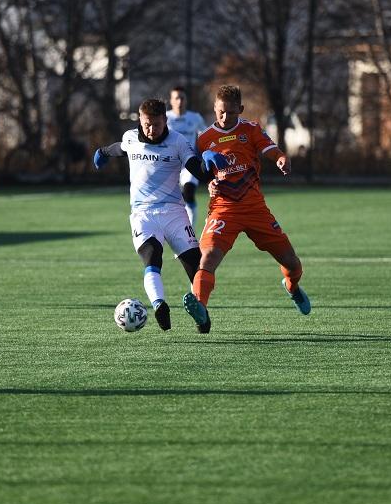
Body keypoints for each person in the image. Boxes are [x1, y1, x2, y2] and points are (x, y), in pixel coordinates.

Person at [183, 84, 310, 333]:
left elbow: (269, 149)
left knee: (292, 263)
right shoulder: (204, 139)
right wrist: (208, 181)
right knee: (208, 257)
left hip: (255, 209)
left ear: (240, 109)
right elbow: (197, 171)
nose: (225, 117)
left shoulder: (250, 130)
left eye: (231, 112)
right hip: (223, 209)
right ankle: (200, 309)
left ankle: (292, 287)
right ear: (214, 108)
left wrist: (280, 158)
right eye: (221, 112)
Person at [93, 98, 227, 331]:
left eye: (156, 124)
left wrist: (207, 164)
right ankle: (159, 305)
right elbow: (119, 148)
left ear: (165, 120)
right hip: (143, 214)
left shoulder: (178, 141)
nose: (151, 129)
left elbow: (196, 169)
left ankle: (201, 313)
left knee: (197, 266)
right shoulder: (131, 137)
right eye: (147, 124)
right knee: (152, 256)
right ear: (140, 120)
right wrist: (103, 152)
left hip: (174, 212)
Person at [166, 86, 208, 225]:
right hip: (169, 165)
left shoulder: (195, 118)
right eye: (176, 98)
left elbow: (206, 136)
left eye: (182, 98)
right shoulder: (165, 118)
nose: (180, 101)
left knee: (188, 193)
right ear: (171, 100)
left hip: (189, 164)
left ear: (186, 100)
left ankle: (191, 230)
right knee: (170, 200)